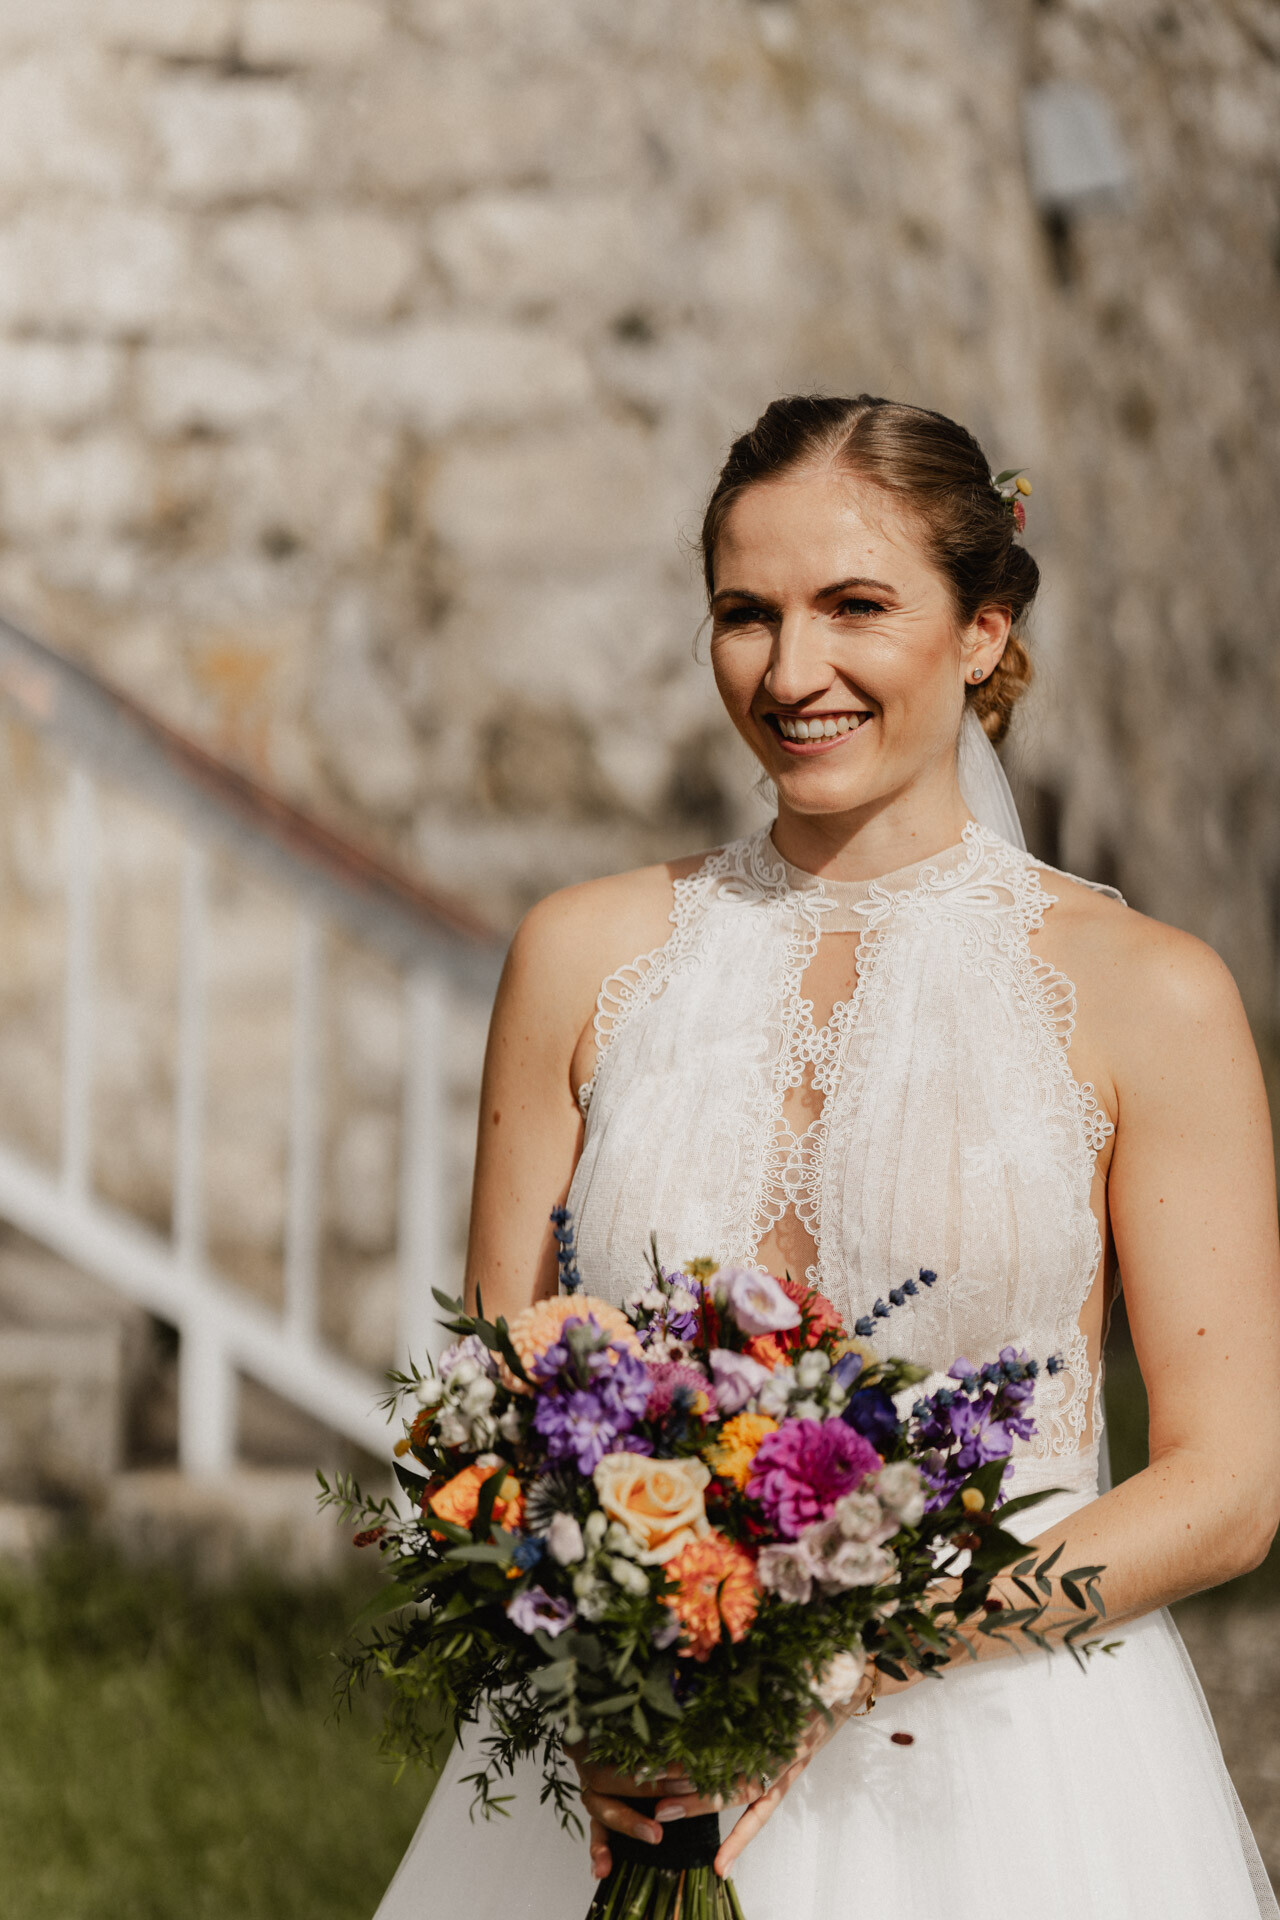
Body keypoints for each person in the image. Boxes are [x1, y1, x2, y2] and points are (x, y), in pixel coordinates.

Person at [374, 395, 1280, 1918]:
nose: (794, 674)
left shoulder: (1151, 990)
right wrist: (600, 1685)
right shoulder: (581, 955)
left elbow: (1234, 1483)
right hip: (626, 1771)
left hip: (1014, 1779)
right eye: (747, 615)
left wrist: (849, 1648)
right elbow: (493, 1417)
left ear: (984, 629)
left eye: (856, 606)